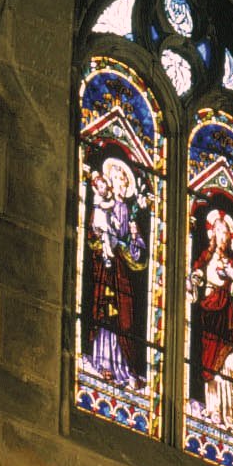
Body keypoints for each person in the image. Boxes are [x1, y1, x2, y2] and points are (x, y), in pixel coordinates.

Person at [85, 153, 148, 390]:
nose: (120, 182)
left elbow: (137, 254)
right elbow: (94, 231)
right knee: (105, 313)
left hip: (121, 272)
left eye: (123, 179)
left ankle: (122, 367)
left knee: (124, 318)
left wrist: (133, 235)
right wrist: (103, 236)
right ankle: (102, 363)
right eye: (117, 178)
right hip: (106, 269)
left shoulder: (126, 211)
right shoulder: (103, 205)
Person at [187, 205, 233, 432]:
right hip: (210, 317)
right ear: (212, 233)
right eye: (218, 231)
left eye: (225, 232)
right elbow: (196, 279)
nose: (221, 235)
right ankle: (214, 411)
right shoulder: (205, 258)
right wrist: (195, 279)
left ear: (230, 237)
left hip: (228, 322)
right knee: (209, 366)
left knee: (231, 365)